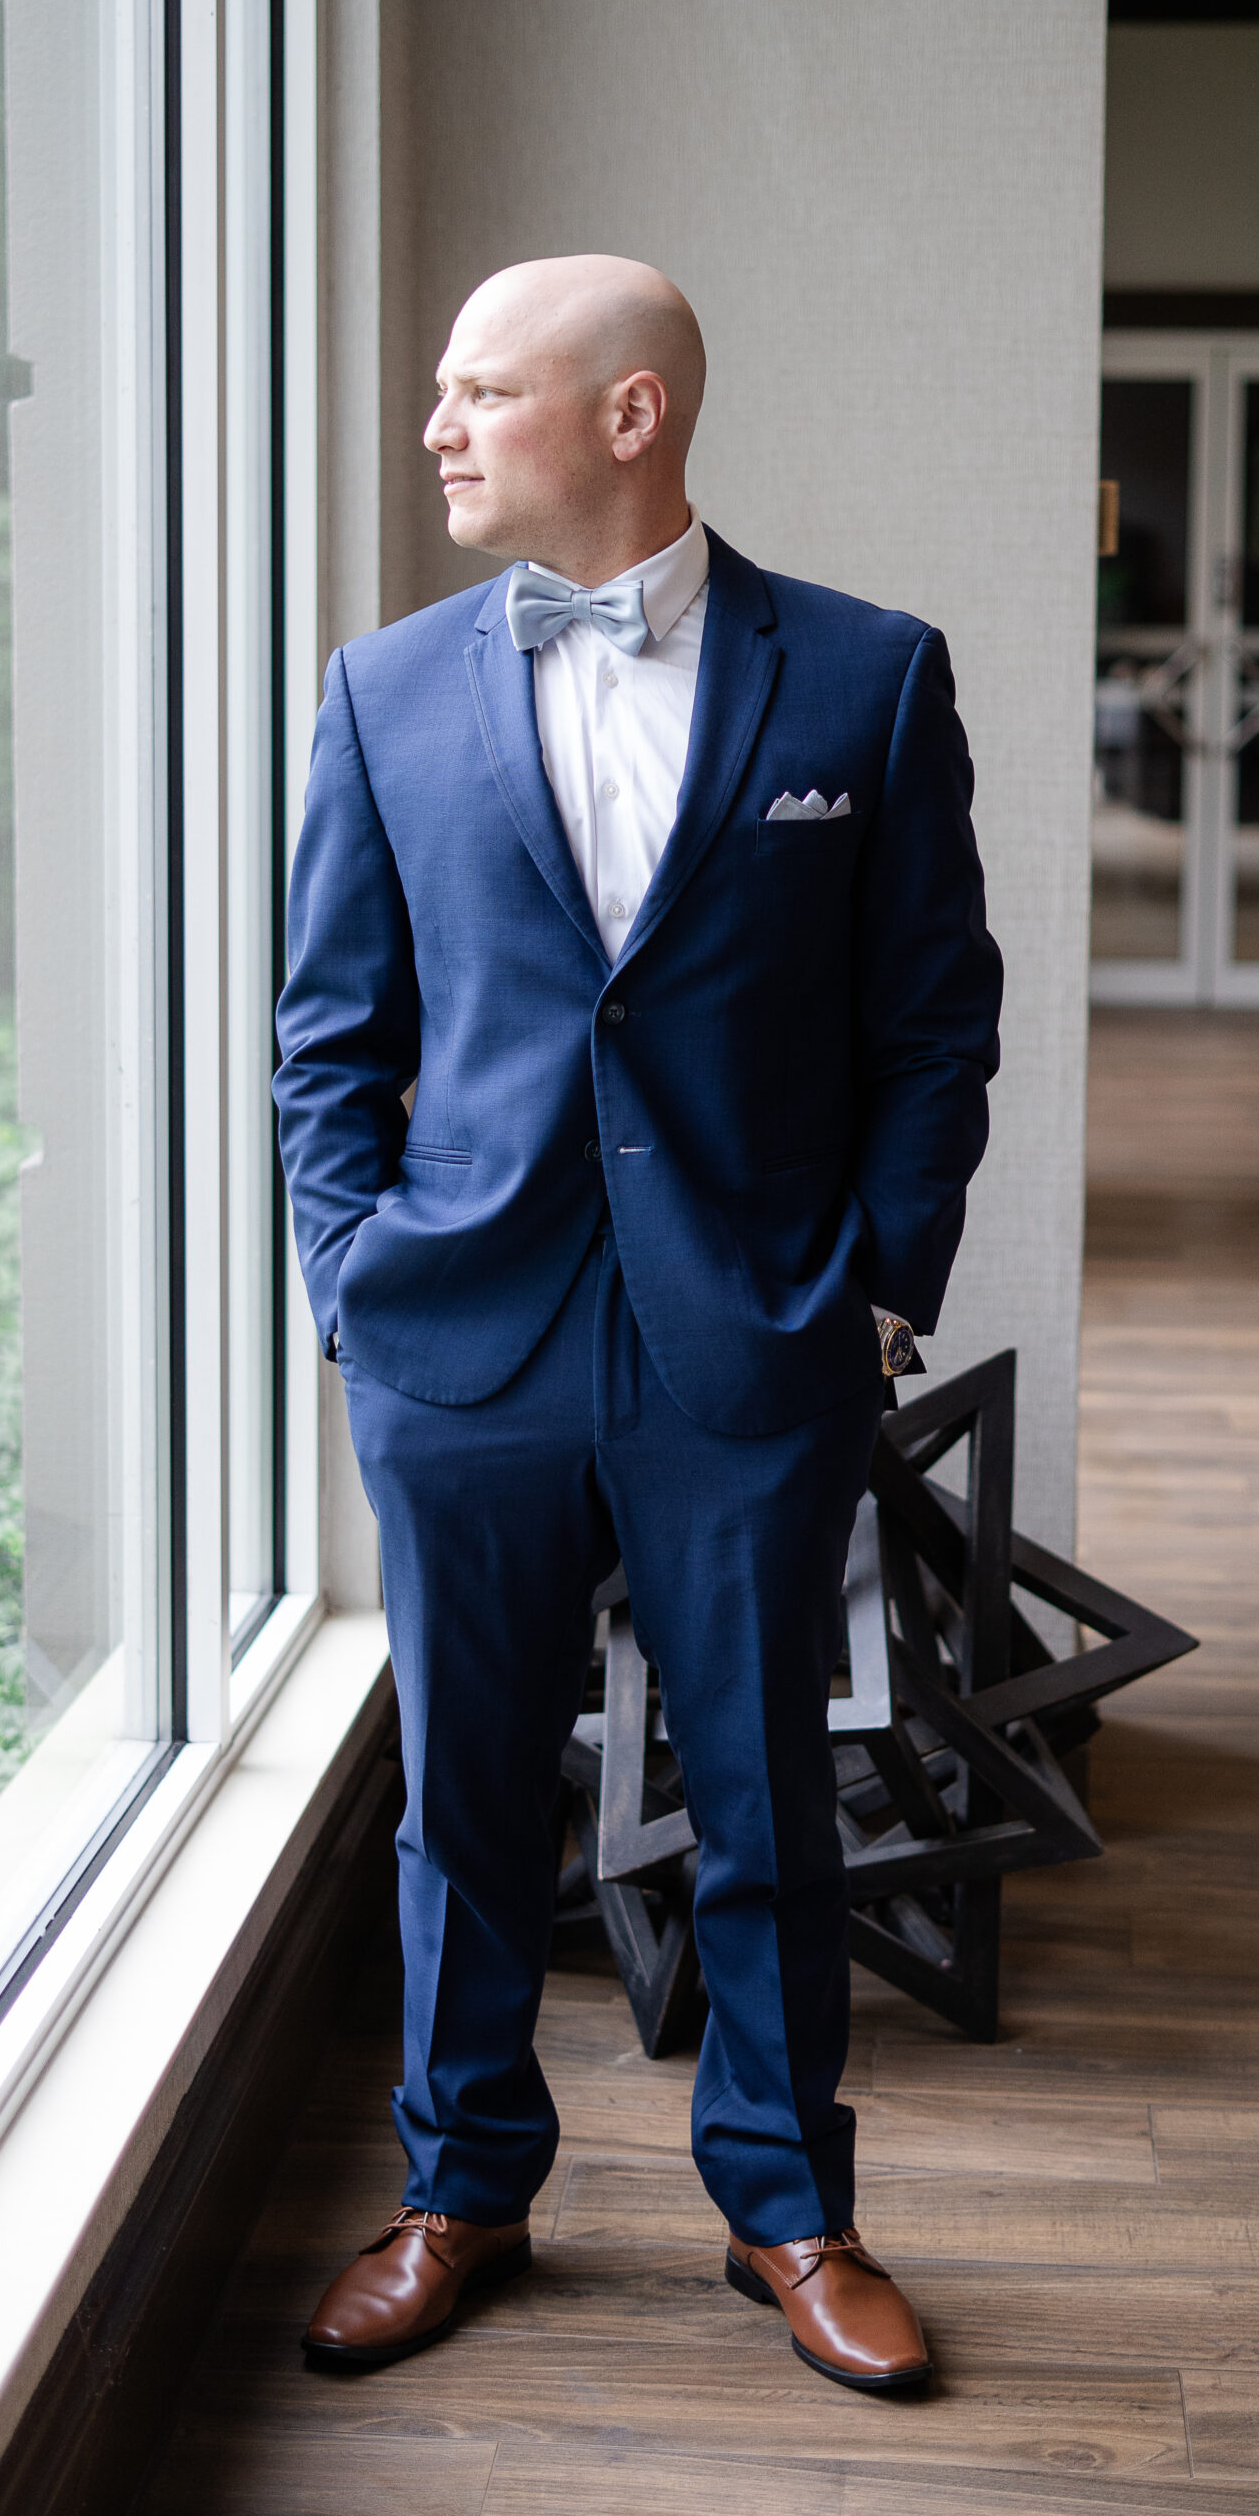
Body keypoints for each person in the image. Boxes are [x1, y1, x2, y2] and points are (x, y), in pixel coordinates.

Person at [274, 255, 1002, 2395]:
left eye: (479, 390)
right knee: (462, 1796)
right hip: (463, 1347)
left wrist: (875, 1291)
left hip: (746, 1343)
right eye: (437, 390)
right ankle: (460, 2185)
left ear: (630, 415)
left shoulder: (863, 681)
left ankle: (786, 2203)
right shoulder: (378, 689)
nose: (437, 427)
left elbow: (930, 1027)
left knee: (770, 1784)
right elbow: (330, 1039)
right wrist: (354, 1292)